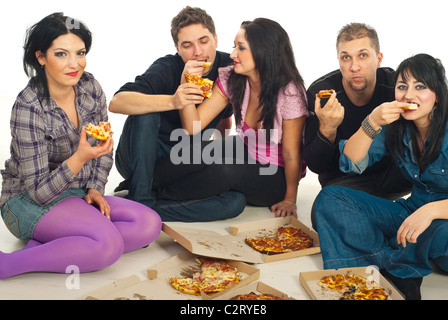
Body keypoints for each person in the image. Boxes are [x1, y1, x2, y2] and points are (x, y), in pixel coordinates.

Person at [0, 13, 161, 279]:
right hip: (27, 201)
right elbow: (39, 192)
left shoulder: (90, 88)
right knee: (108, 247)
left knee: (148, 225)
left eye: (80, 52)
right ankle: (9, 264)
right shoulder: (28, 107)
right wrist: (79, 156)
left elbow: (103, 150)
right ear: (41, 57)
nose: (74, 64)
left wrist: (97, 188)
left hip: (76, 193)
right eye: (61, 54)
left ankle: (58, 243)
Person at [315, 53, 448, 300]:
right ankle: (392, 264)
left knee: (443, 232)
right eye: (402, 86)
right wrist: (373, 120)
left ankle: (392, 265)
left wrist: (430, 212)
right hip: (409, 217)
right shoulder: (396, 125)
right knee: (331, 197)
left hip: (441, 224)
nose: (409, 95)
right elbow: (351, 161)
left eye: (420, 87)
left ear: (438, 95)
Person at [152, 18, 308, 218]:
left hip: (274, 174)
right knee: (190, 153)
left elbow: (292, 155)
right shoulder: (233, 78)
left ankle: (155, 200)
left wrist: (289, 200)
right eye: (234, 46)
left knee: (223, 170)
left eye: (241, 48)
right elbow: (193, 126)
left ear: (264, 52)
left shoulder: (290, 93)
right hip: (245, 148)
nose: (233, 54)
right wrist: (186, 82)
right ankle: (141, 188)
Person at [109, 6, 246, 222]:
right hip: (140, 156)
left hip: (181, 163)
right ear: (177, 49)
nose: (198, 52)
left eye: (203, 41)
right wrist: (173, 100)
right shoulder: (167, 67)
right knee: (147, 113)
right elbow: (117, 102)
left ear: (216, 39)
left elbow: (223, 118)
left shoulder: (229, 68)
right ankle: (141, 196)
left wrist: (212, 156)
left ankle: (148, 206)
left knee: (234, 202)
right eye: (187, 45)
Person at [303, 23, 412, 230]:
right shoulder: (321, 93)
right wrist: (327, 129)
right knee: (321, 215)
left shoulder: (396, 85)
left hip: (393, 177)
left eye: (363, 56)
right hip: (344, 182)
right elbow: (315, 166)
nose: (354, 67)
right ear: (339, 61)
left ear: (378, 59)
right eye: (346, 57)